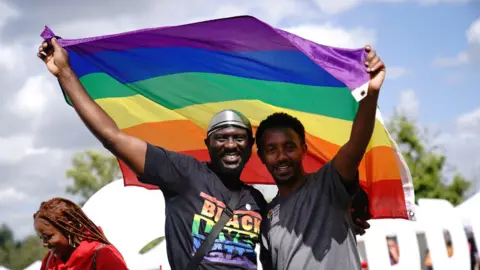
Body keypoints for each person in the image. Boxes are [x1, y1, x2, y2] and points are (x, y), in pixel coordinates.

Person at [38, 38, 370, 270]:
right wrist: (66, 74)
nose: (230, 144)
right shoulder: (181, 173)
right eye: (221, 138)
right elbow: (112, 137)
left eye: (239, 138)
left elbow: (301, 220)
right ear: (208, 145)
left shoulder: (258, 202)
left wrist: (354, 201)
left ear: (249, 148)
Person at [257, 46, 385, 269]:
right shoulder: (267, 217)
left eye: (289, 146)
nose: (281, 156)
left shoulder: (327, 184)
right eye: (271, 149)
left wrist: (370, 94)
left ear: (304, 149)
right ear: (261, 157)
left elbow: (356, 145)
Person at [34, 197, 127, 269]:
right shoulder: (49, 262)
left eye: (48, 237)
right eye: (42, 238)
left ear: (69, 228)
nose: (44, 244)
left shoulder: (104, 256)